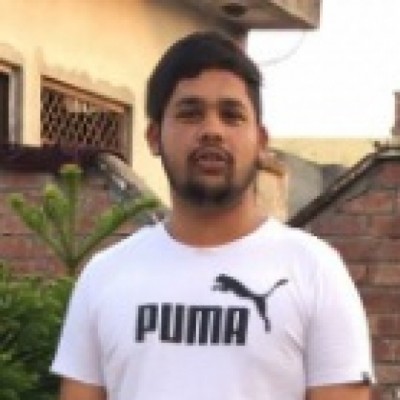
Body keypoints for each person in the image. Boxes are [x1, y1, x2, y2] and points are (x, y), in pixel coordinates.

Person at [51, 31, 374, 400]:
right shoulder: (105, 277)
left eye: (231, 115)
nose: (212, 131)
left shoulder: (315, 272)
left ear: (261, 141)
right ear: (154, 136)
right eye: (190, 114)